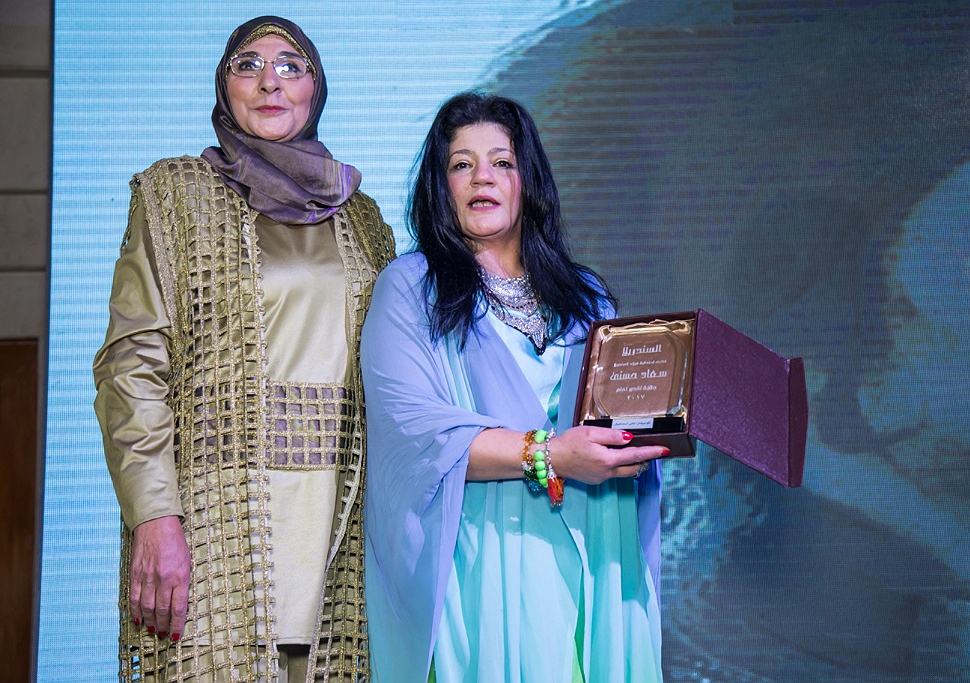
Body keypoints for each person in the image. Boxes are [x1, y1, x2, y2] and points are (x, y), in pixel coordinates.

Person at [93, 16, 394, 682]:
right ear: (223, 86)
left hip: (343, 535)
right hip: (215, 531)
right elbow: (130, 368)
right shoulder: (174, 196)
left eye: (291, 66)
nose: (269, 82)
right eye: (247, 64)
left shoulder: (365, 218)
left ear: (316, 88)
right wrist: (154, 514)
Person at [361, 92, 666, 683]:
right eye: (462, 164)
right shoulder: (410, 288)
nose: (483, 177)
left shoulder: (586, 298)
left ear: (528, 181)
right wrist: (551, 455)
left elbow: (618, 413)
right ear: (441, 186)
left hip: (598, 552)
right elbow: (413, 435)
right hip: (486, 566)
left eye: (502, 162)